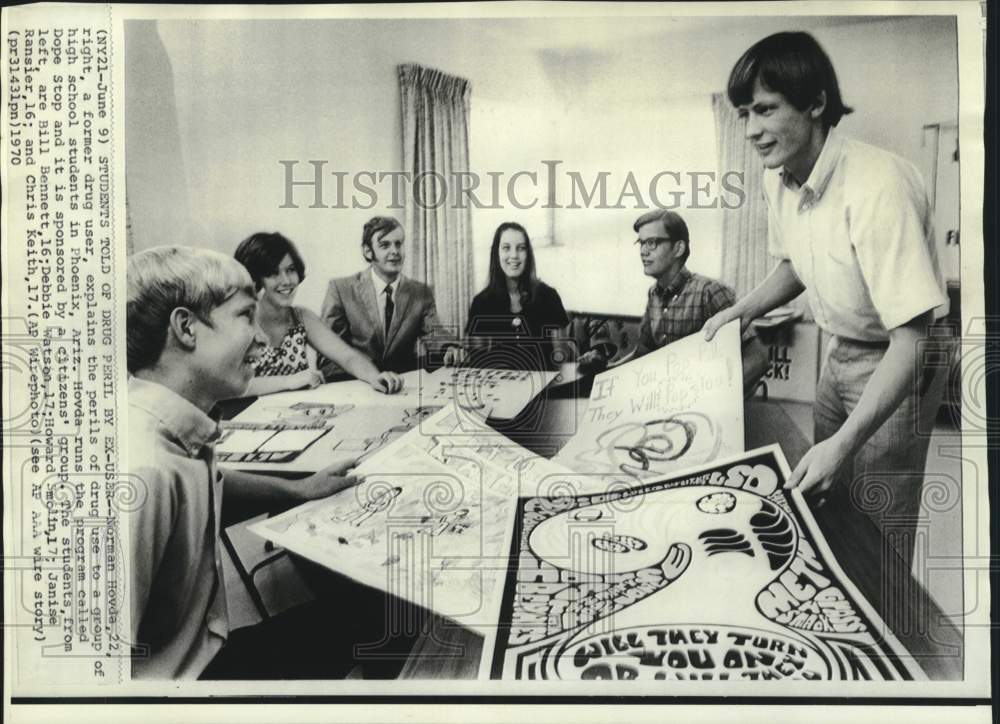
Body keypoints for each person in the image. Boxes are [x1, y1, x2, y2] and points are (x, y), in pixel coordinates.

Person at [703, 31, 950, 573]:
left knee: (878, 514)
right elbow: (795, 264)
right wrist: (738, 310)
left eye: (765, 110)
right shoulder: (779, 178)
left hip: (900, 354)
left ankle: (882, 629)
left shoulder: (879, 184)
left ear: (816, 103)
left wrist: (844, 443)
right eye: (744, 114)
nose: (752, 131)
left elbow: (913, 337)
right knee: (826, 494)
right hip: (843, 347)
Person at [125, 246, 394, 680]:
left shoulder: (173, 433)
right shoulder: (144, 469)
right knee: (382, 614)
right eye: (246, 316)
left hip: (206, 657)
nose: (264, 337)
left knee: (372, 607)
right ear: (186, 328)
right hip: (188, 690)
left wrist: (299, 490)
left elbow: (212, 483)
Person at [577, 209, 768, 394]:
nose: (643, 251)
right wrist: (605, 370)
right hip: (665, 404)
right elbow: (643, 354)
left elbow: (757, 358)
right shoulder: (654, 295)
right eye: (641, 243)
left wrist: (716, 399)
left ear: (678, 248)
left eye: (652, 243)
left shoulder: (710, 292)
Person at [234, 231, 402, 396]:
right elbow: (229, 384)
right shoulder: (240, 321)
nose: (286, 281)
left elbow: (347, 357)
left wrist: (375, 377)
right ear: (254, 278)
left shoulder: (301, 317)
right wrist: (288, 381)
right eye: (273, 273)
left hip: (292, 417)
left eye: (291, 270)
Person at [319, 216, 462, 379]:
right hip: (357, 384)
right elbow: (327, 353)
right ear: (367, 251)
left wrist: (449, 347)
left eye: (398, 244)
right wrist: (367, 377)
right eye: (385, 245)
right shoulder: (340, 290)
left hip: (403, 384)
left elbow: (434, 333)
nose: (395, 251)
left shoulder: (421, 292)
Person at [465, 221, 570, 371]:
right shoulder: (481, 302)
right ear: (497, 253)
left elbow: (561, 358)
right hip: (499, 390)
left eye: (521, 248)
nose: (514, 255)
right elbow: (477, 361)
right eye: (506, 248)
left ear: (528, 254)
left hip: (546, 389)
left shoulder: (549, 297)